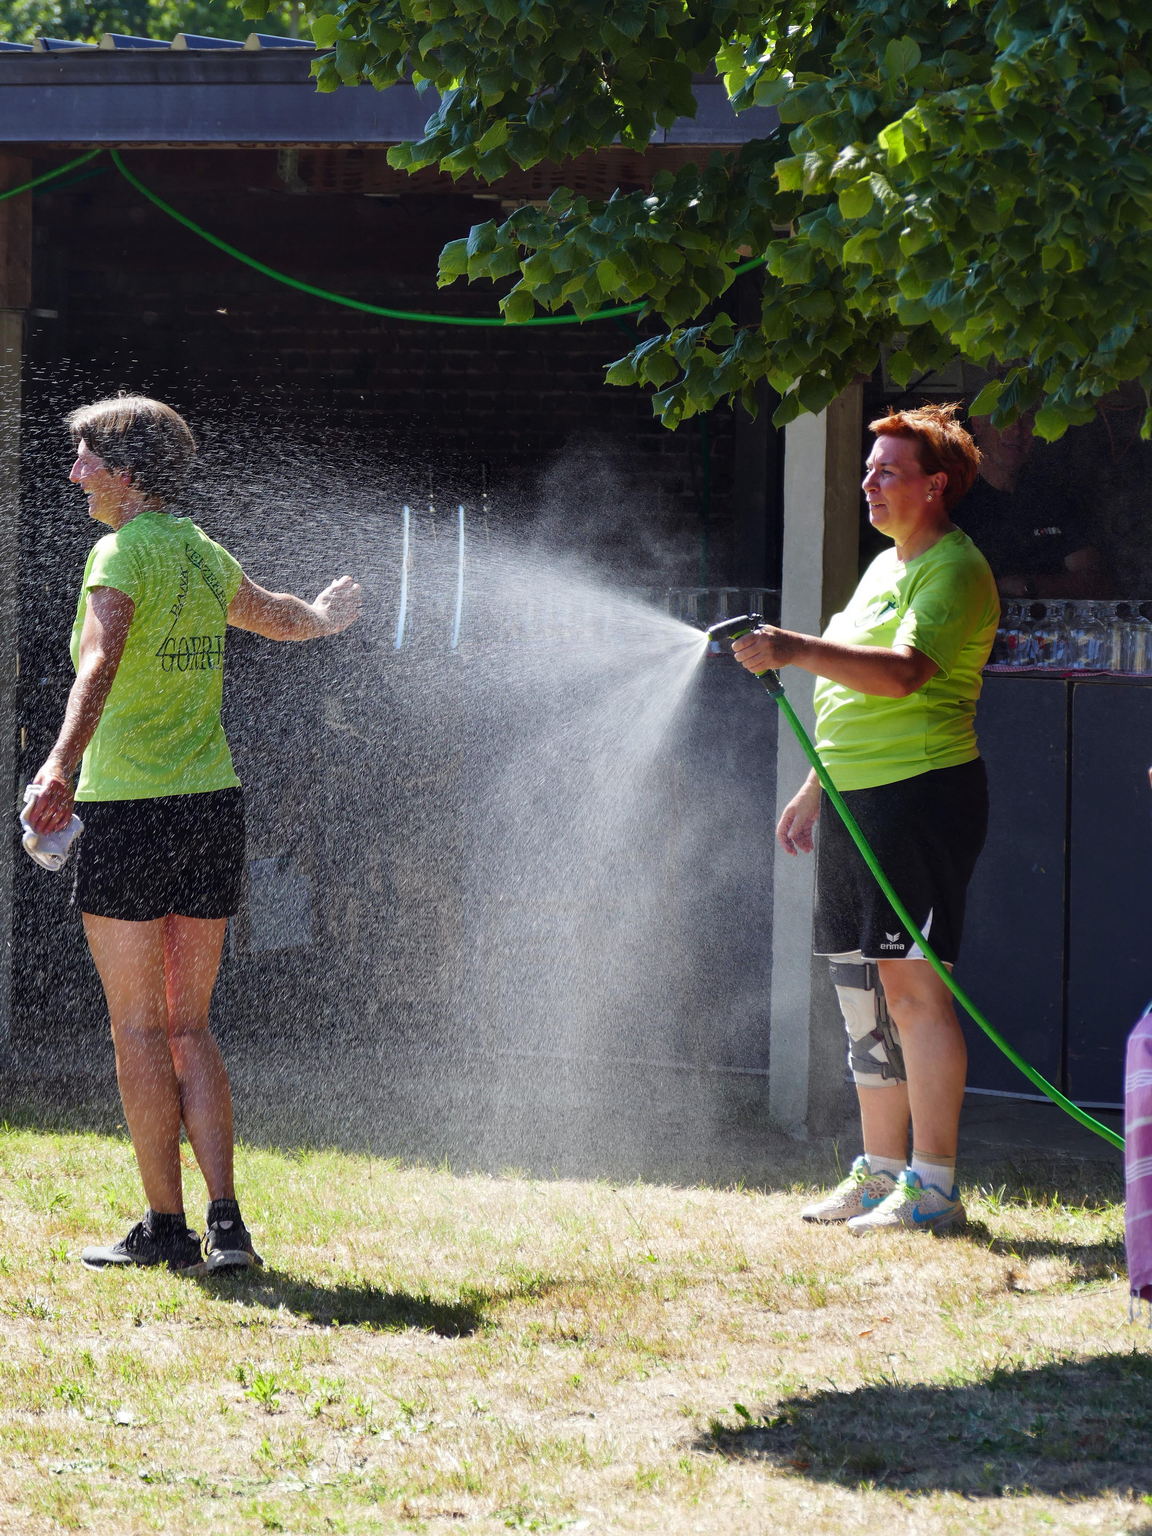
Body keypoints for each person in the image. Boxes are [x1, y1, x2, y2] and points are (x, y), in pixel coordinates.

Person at [24, 395, 362, 1272]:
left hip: (131, 809)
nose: (76, 474)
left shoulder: (121, 551)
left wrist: (57, 767)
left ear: (128, 475)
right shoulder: (201, 552)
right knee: (190, 1026)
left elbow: (98, 662)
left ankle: (166, 1230)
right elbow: (278, 616)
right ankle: (229, 1226)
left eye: (89, 461)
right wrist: (325, 616)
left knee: (139, 1031)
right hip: (210, 807)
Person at [734, 402, 998, 1234]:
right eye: (868, 470)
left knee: (912, 990)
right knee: (859, 989)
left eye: (888, 471)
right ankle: (881, 1172)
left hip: (919, 796)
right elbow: (852, 694)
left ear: (936, 485)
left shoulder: (953, 569)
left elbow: (901, 673)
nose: (869, 483)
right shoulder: (885, 565)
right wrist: (816, 789)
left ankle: (934, 1187)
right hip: (853, 798)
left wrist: (793, 647)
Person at [956, 413, 1109, 598]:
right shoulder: (952, 498)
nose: (1017, 431)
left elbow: (1094, 580)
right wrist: (996, 588)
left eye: (1027, 420)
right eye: (1007, 418)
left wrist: (1031, 586)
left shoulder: (1052, 496)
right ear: (978, 424)